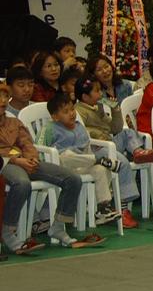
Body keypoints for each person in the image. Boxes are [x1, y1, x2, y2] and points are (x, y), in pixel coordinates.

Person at [1, 102, 98, 254]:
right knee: (22, 183)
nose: (2, 102)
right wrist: (17, 160)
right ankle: (7, 232)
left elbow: (27, 143)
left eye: (4, 98)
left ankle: (58, 227)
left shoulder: (14, 122)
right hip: (6, 163)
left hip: (26, 160)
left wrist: (31, 158)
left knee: (72, 179)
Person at [38, 93, 122, 226]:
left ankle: (103, 208)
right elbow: (39, 148)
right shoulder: (49, 128)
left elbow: (86, 147)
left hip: (81, 165)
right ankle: (98, 159)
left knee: (100, 169)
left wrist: (89, 159)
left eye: (72, 109)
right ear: (54, 117)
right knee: (66, 155)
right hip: (60, 167)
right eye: (65, 112)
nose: (71, 113)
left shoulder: (79, 127)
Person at [72, 75, 141, 226]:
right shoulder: (79, 111)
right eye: (97, 91)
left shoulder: (98, 107)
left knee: (127, 132)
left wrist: (116, 110)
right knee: (121, 162)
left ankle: (137, 151)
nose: (101, 94)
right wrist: (98, 135)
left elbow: (115, 128)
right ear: (84, 96)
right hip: (95, 147)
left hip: (108, 141)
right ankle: (122, 210)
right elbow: (82, 132)